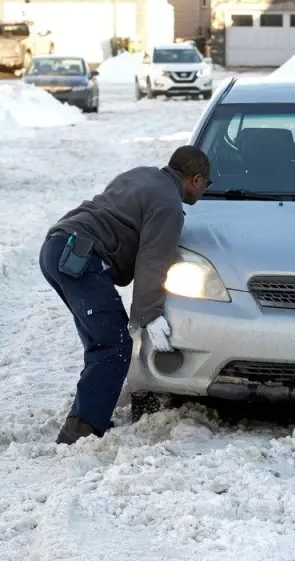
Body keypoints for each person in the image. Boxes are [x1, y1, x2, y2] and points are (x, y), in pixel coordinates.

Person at [39, 145, 212, 446]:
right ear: (196, 180)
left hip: (58, 247)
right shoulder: (168, 204)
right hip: (81, 258)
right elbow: (153, 261)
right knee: (114, 343)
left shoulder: (143, 175)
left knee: (101, 338)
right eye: (206, 185)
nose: (204, 191)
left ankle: (89, 414)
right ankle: (80, 431)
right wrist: (149, 314)